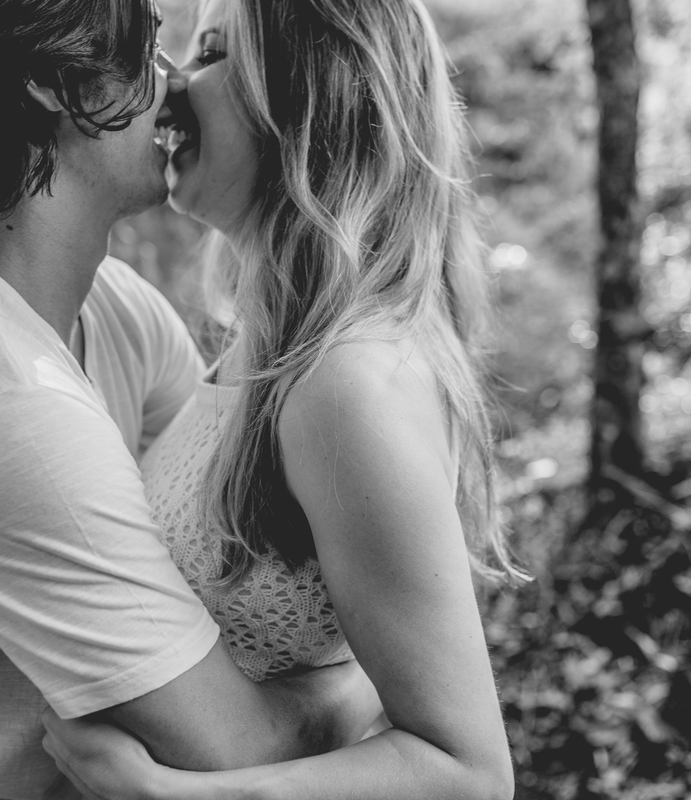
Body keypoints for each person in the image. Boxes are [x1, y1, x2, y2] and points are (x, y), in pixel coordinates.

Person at [0, 1, 381, 798]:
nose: (174, 82)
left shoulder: (109, 308)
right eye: (146, 48)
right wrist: (387, 680)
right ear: (49, 79)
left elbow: (216, 546)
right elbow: (235, 746)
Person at [41, 0, 527, 798]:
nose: (172, 83)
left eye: (212, 53)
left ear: (312, 93)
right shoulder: (270, 356)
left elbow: (468, 773)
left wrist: (172, 796)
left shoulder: (347, 385)